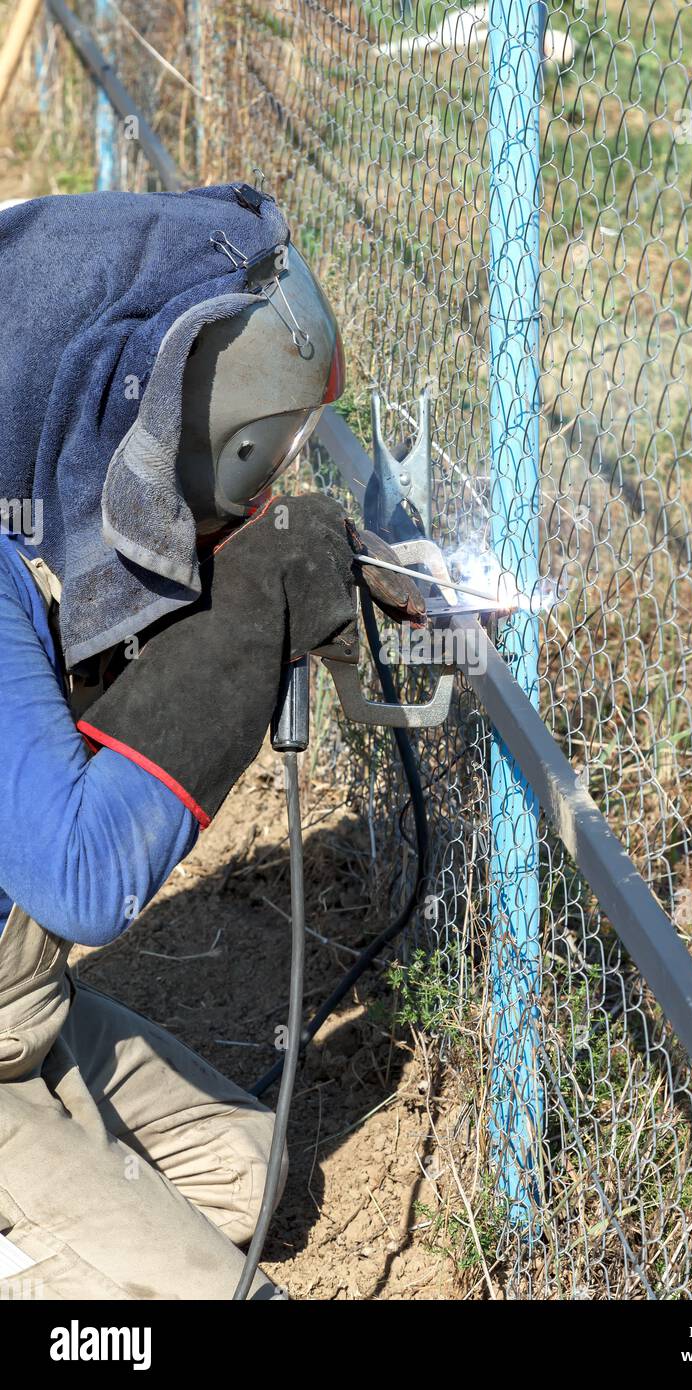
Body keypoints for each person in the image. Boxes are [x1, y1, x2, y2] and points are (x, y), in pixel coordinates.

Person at [0, 181, 414, 1300]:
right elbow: (84, 878)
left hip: (18, 1015)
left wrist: (237, 568)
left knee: (250, 1176)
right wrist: (253, 608)